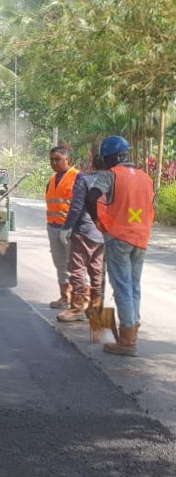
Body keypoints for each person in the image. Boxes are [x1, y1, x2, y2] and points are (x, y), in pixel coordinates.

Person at [86, 135, 155, 356]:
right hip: (141, 238)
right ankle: (132, 329)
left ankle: (126, 341)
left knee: (123, 287)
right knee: (134, 286)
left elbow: (91, 198)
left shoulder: (111, 175)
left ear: (112, 158)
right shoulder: (146, 177)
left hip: (118, 238)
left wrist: (98, 221)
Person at [56, 154, 106, 323]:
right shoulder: (112, 181)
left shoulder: (85, 180)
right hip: (103, 233)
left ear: (92, 164)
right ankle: (95, 309)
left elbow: (76, 207)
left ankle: (77, 308)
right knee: (97, 271)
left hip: (84, 231)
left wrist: (67, 227)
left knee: (77, 270)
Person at [45, 145, 80, 309]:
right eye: (52, 159)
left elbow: (80, 206)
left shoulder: (77, 178)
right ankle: (64, 297)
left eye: (58, 159)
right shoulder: (52, 180)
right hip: (53, 228)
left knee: (74, 266)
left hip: (71, 229)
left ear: (67, 159)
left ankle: (78, 303)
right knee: (60, 264)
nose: (54, 162)